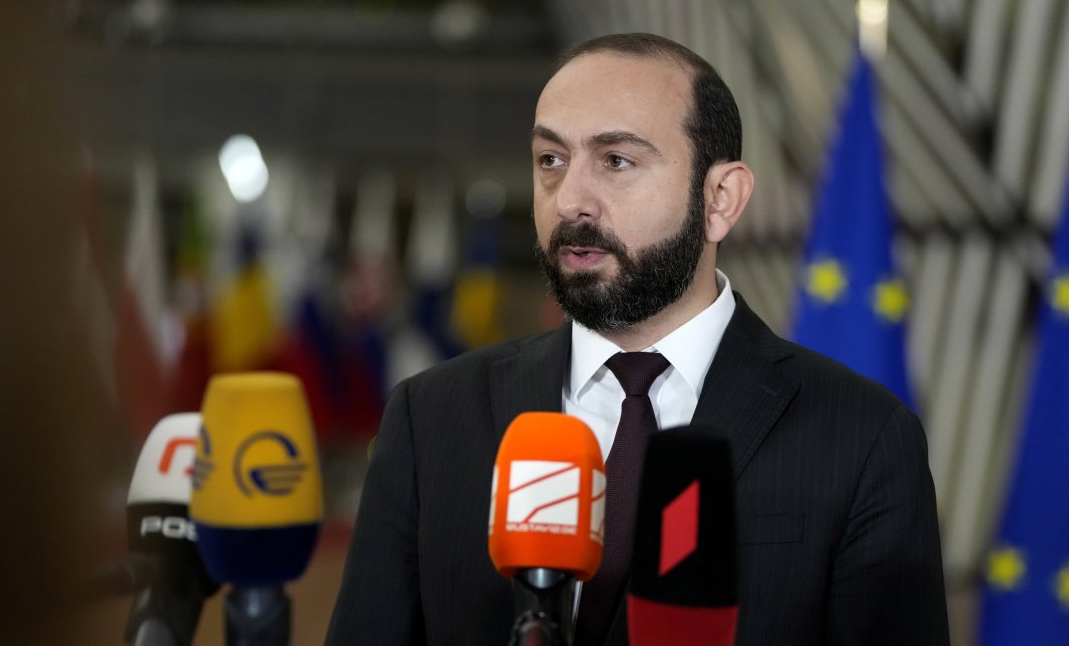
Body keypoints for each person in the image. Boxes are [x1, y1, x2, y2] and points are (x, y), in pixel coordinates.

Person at [327, 32, 949, 645]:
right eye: (551, 160)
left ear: (720, 199)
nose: (570, 199)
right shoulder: (429, 417)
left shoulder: (863, 435)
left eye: (616, 161)